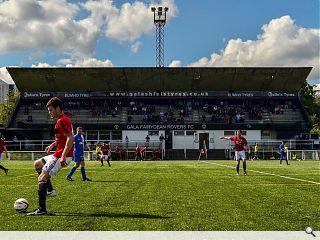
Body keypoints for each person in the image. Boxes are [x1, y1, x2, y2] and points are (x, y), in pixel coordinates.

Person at [27, 97, 74, 216]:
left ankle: (41, 209)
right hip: (58, 153)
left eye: (51, 110)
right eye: (48, 110)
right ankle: (50, 190)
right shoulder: (60, 120)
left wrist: (63, 156)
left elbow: (70, 138)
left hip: (62, 155)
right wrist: (52, 145)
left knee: (42, 177)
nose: (49, 113)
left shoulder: (63, 120)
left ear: (58, 108)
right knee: (37, 164)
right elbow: (62, 138)